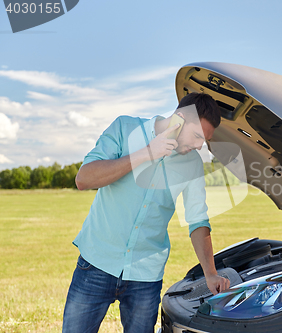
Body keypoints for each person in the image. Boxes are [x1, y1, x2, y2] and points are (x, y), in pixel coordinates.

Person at [62, 92, 230, 333]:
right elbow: (84, 178)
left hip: (145, 276)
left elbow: (198, 220)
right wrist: (146, 153)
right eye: (196, 136)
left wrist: (211, 274)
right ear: (180, 118)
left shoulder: (192, 163)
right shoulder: (125, 128)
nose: (198, 146)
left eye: (204, 141)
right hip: (97, 263)